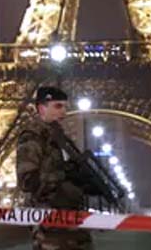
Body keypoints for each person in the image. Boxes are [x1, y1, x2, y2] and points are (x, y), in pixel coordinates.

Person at [16, 86, 94, 250]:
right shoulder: (33, 135)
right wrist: (64, 175)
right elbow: (27, 181)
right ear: (42, 108)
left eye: (65, 106)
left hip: (68, 217)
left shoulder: (57, 135)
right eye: (58, 106)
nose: (64, 112)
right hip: (49, 221)